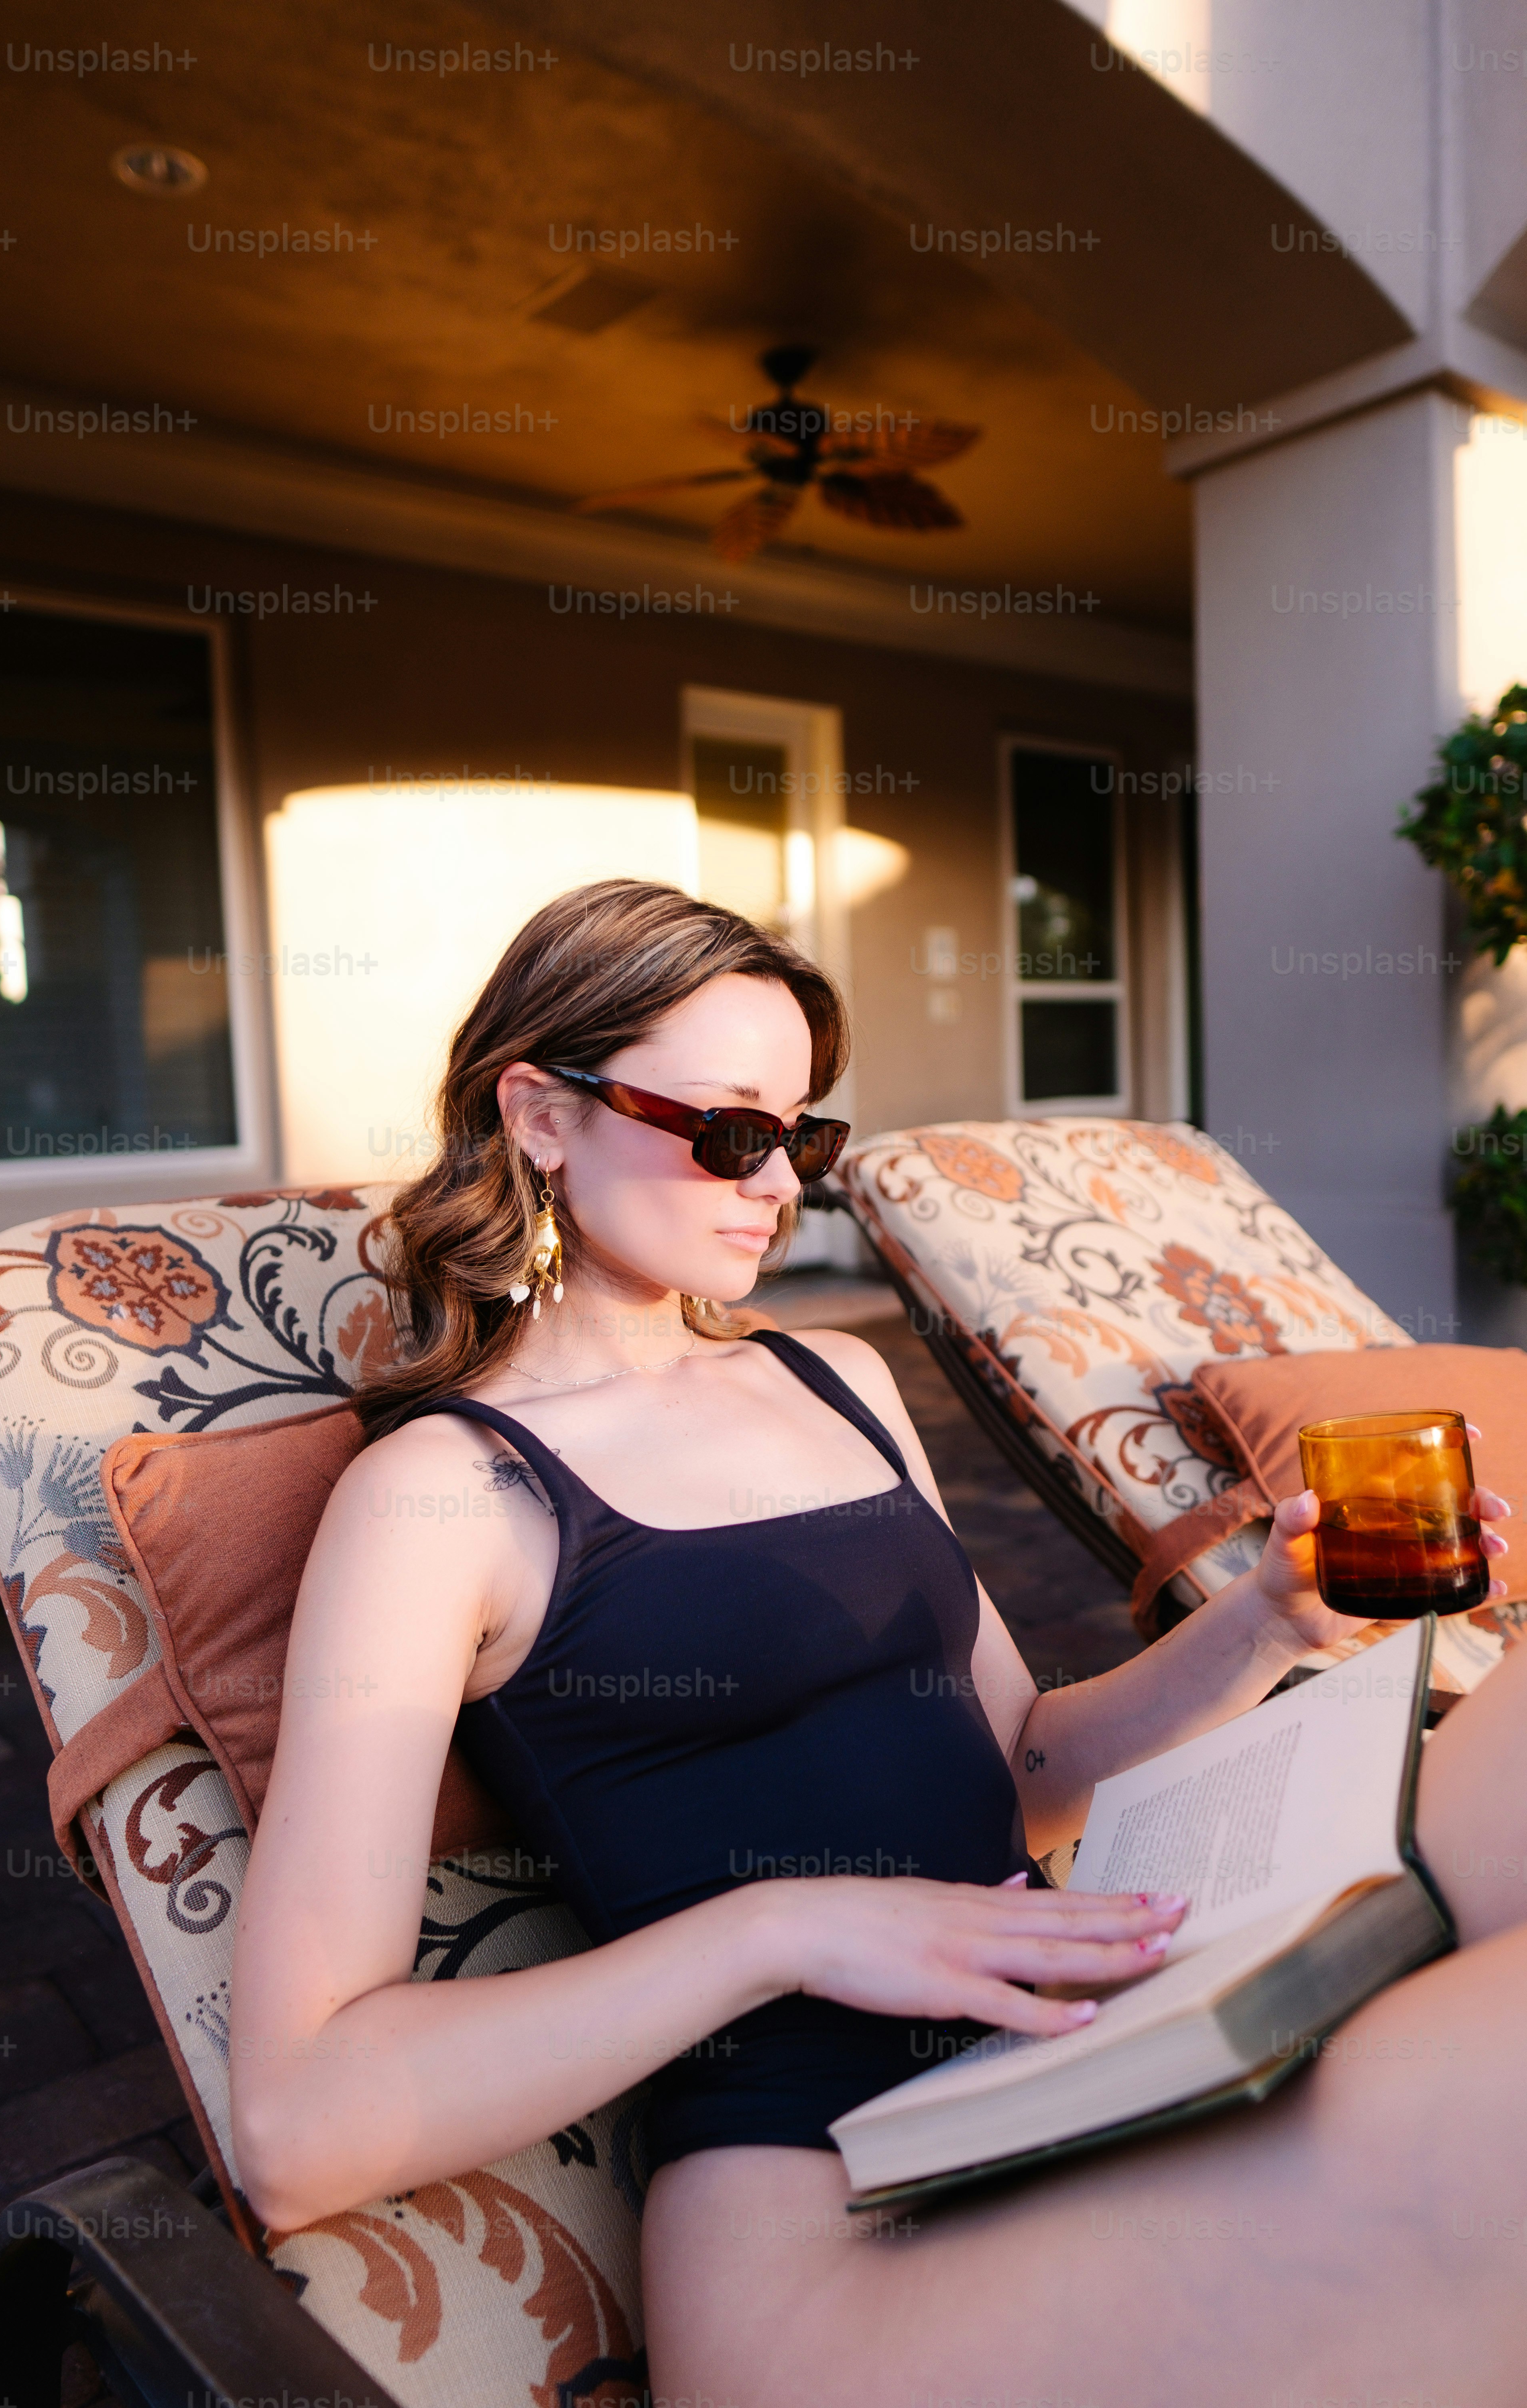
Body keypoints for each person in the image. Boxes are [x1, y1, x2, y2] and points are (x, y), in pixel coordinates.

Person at [231, 878, 1527, 2407]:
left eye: (803, 1135)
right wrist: (784, 1928)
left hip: (1065, 2050)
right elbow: (297, 2125)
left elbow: (1021, 1769)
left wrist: (1263, 1622)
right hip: (827, 2213)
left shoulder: (834, 1379)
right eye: (732, 1131)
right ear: (542, 1115)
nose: (781, 1183)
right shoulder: (442, 1499)